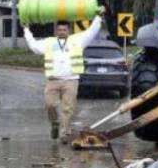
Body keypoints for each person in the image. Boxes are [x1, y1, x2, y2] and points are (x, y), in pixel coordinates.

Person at [24, 9, 104, 143]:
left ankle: (64, 133)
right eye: (59, 30)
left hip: (71, 80)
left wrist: (98, 17)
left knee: (67, 108)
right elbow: (34, 47)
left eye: (64, 30)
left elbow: (91, 31)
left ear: (69, 30)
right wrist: (26, 30)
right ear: (56, 31)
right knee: (50, 105)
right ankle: (55, 124)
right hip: (53, 80)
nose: (62, 32)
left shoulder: (77, 40)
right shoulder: (49, 42)